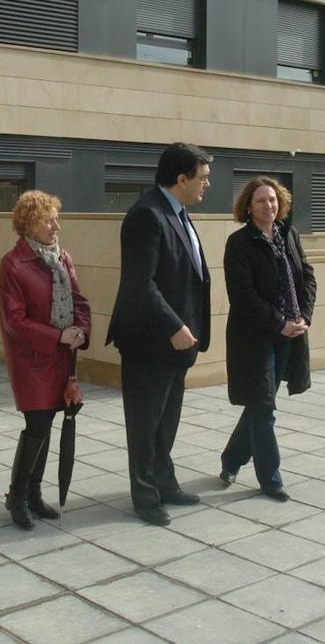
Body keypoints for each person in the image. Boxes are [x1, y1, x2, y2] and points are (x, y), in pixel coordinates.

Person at [106, 142, 212, 526]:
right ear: (181, 179)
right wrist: (174, 326)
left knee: (167, 420)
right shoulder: (146, 215)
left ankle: (165, 482)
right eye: (202, 178)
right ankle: (145, 494)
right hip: (151, 341)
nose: (207, 185)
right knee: (145, 421)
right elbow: (140, 284)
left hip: (180, 343)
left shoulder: (178, 213)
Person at [0, 190, 91, 529]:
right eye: (48, 220)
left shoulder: (62, 257)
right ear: (28, 224)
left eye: (56, 219)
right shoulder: (14, 263)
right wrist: (57, 336)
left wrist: (80, 329)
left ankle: (33, 495)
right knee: (36, 426)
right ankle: (17, 497)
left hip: (61, 359)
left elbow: (79, 300)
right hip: (32, 360)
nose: (56, 226)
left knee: (47, 425)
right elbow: (14, 320)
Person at [219, 176, 316, 501]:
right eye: (261, 200)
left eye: (273, 199)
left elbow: (308, 276)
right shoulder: (239, 243)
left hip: (291, 335)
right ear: (248, 206)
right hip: (256, 338)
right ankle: (271, 478)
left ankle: (231, 459)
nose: (268, 205)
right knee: (263, 407)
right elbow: (242, 295)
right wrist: (279, 323)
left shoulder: (289, 235)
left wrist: (303, 315)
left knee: (260, 405)